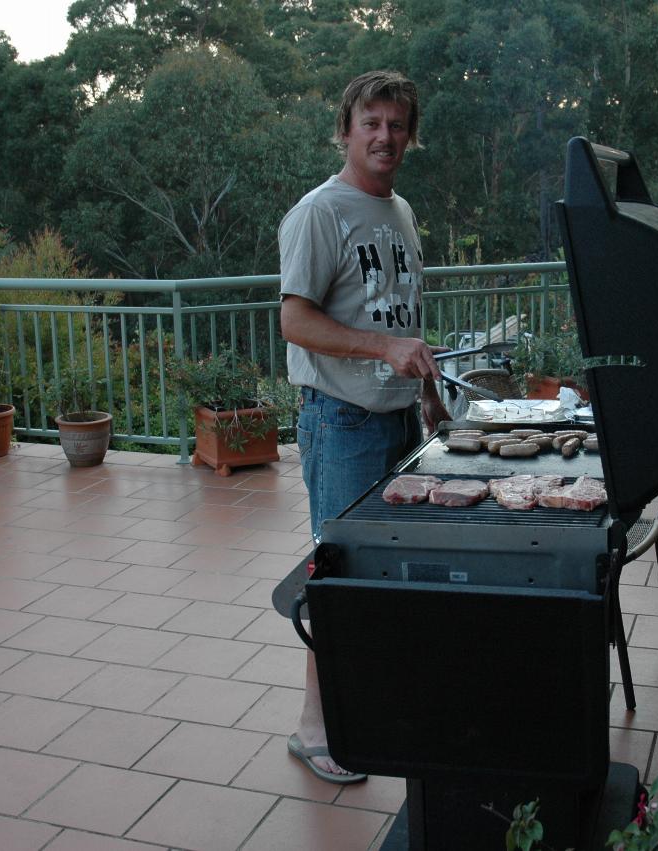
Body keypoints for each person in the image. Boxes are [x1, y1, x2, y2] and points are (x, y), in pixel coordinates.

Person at [279, 70, 450, 785]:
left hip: (397, 421)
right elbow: (294, 318)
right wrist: (383, 350)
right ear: (346, 130)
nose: (385, 137)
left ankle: (375, 707)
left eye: (397, 124)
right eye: (371, 123)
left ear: (410, 133)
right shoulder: (320, 213)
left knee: (390, 575)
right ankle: (314, 728)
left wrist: (432, 396)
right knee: (338, 576)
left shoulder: (401, 211)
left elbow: (397, 316)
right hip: (341, 422)